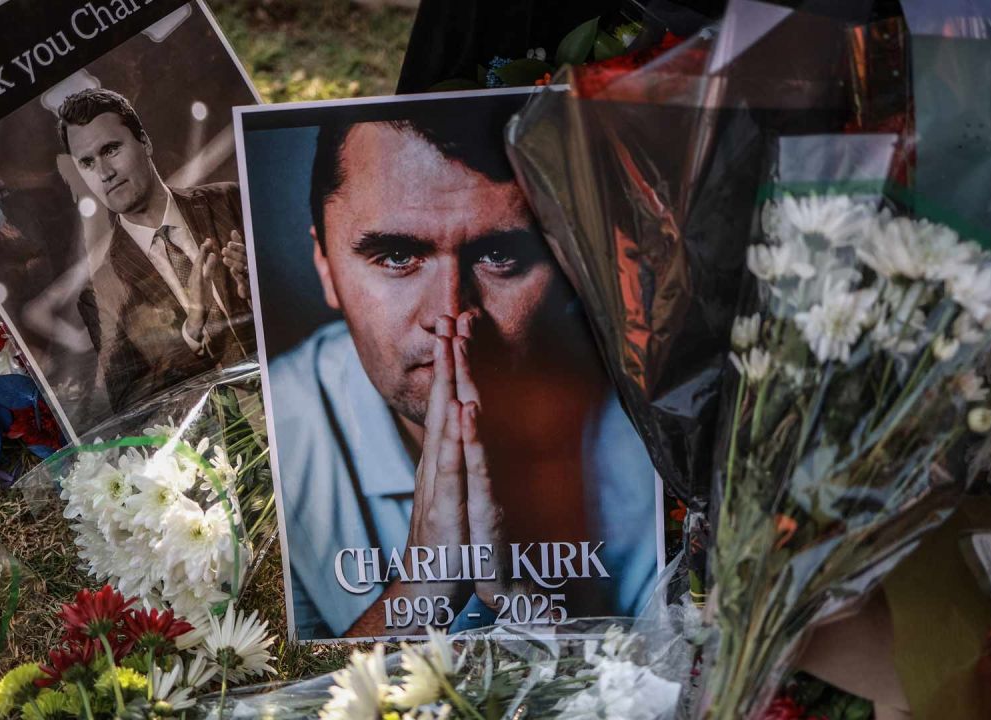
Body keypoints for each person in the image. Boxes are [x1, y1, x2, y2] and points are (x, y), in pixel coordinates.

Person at [267, 109, 659, 639]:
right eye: (398, 254)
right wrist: (420, 593)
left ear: (569, 261)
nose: (449, 313)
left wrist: (521, 600)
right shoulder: (264, 444)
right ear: (324, 263)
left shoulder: (651, 419)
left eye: (500, 254)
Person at [58, 88, 253, 413]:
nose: (104, 173)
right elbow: (133, 406)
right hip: (231, 448)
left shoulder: (231, 200)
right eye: (88, 163)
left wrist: (264, 281)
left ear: (145, 142)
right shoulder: (101, 293)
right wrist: (190, 331)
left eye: (111, 149)